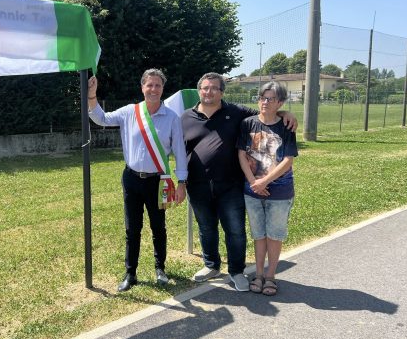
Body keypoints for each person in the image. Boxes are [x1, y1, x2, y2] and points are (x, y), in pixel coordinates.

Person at [181, 73, 296, 292]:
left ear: (222, 92)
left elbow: (265, 113)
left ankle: (236, 271)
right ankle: (211, 265)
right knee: (206, 227)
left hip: (231, 184)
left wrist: (285, 113)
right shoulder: (186, 117)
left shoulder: (236, 112)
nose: (209, 92)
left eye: (214, 88)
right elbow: (179, 148)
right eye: (205, 88)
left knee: (235, 230)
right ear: (199, 90)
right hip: (197, 184)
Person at [88, 69, 188, 292]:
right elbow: (101, 118)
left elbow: (180, 152)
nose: (153, 89)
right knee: (132, 228)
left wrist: (182, 182)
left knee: (158, 227)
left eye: (158, 85)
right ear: (142, 87)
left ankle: (160, 268)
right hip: (132, 179)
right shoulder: (129, 112)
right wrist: (92, 95)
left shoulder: (172, 117)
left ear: (162, 89)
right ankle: (130, 273)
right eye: (149, 85)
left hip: (158, 181)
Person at [237, 82, 297, 296]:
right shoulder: (248, 124)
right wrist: (254, 182)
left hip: (279, 192)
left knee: (274, 235)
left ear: (280, 103)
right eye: (262, 98)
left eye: (271, 99)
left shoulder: (286, 126)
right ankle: (259, 274)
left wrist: (265, 181)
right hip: (252, 190)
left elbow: (288, 160)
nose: (265, 102)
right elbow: (242, 154)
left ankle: (271, 276)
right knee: (259, 235)